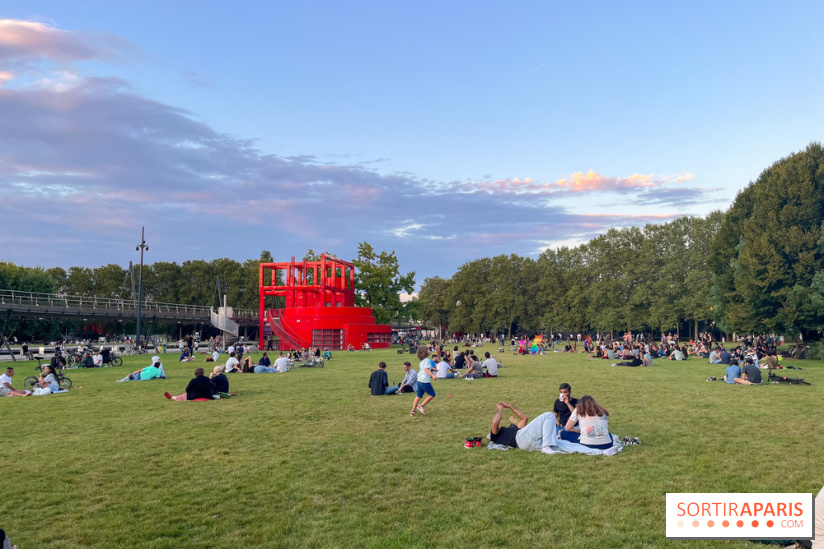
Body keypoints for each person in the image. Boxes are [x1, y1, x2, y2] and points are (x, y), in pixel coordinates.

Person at [489, 402, 559, 452]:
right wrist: (500, 409)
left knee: (559, 443)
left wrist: (510, 406)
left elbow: (524, 418)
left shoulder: (513, 429)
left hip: (526, 442)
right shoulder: (495, 436)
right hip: (520, 439)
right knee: (549, 415)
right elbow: (495, 422)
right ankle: (546, 448)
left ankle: (547, 446)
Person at [410, 348, 436, 416]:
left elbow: (424, 369)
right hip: (425, 381)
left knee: (418, 396)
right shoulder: (427, 360)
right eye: (428, 350)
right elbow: (426, 369)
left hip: (419, 380)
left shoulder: (422, 361)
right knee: (432, 394)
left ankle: (413, 411)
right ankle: (421, 406)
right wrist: (432, 375)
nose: (430, 351)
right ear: (425, 352)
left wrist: (433, 370)